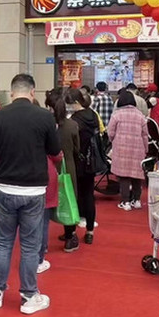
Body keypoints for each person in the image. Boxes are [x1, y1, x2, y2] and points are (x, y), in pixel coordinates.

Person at [0, 74, 61, 315]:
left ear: (11, 92)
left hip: (6, 188)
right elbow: (54, 149)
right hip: (35, 190)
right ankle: (29, 295)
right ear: (32, 92)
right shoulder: (44, 117)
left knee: (3, 241)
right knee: (30, 246)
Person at [45, 88, 81, 252]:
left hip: (49, 167)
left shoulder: (47, 125)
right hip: (68, 167)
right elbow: (76, 149)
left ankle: (42, 243)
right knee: (69, 198)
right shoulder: (72, 125)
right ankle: (70, 235)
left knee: (48, 202)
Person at [64, 88, 99, 246]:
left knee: (74, 197)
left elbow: (73, 144)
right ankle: (90, 231)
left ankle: (70, 232)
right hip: (91, 161)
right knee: (89, 195)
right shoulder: (93, 115)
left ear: (76, 102)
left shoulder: (74, 121)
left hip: (77, 162)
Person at [33, 98, 63, 274]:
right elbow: (57, 154)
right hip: (46, 175)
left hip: (19, 180)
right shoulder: (46, 126)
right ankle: (39, 257)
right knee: (43, 220)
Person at [108, 92, 148, 211]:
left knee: (124, 176)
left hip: (121, 149)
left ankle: (125, 202)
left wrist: (113, 141)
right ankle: (137, 201)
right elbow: (145, 135)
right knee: (137, 176)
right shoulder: (140, 115)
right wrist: (146, 149)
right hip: (138, 149)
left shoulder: (117, 115)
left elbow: (110, 132)